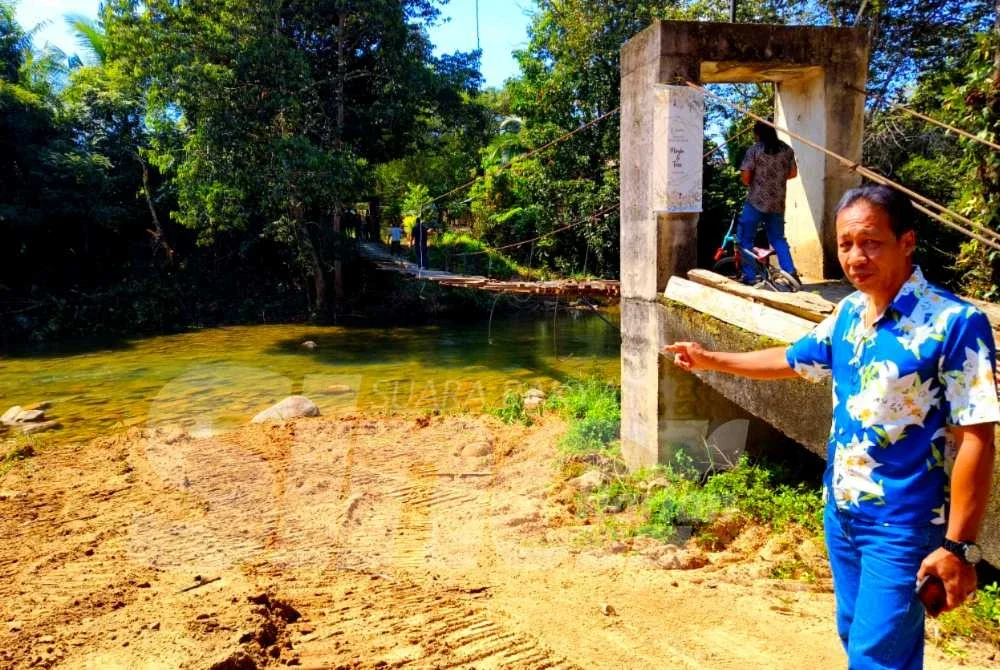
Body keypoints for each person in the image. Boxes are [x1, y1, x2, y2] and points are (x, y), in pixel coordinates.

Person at [664, 185, 998, 669]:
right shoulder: (849, 314)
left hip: (902, 524)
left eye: (871, 242)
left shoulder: (954, 323)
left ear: (907, 241)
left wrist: (958, 547)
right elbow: (792, 359)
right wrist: (711, 359)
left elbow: (976, 439)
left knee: (876, 657)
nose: (856, 257)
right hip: (841, 515)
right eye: (845, 244)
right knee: (855, 635)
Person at [738, 120, 800, 285]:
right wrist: (776, 180)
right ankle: (790, 273)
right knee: (778, 239)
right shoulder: (787, 150)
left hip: (755, 202)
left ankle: (750, 276)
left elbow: (746, 178)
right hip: (777, 203)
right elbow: (793, 173)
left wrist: (759, 180)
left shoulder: (755, 150)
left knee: (745, 239)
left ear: (758, 133)